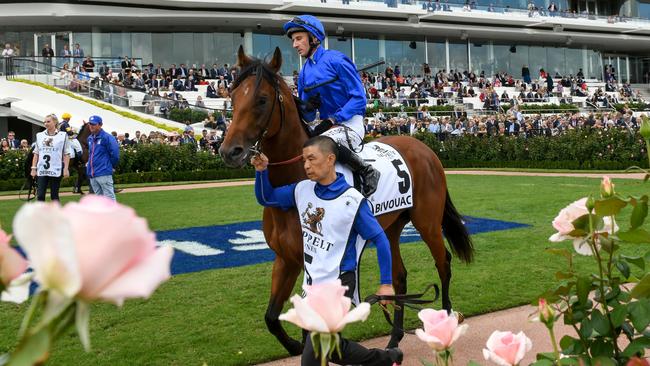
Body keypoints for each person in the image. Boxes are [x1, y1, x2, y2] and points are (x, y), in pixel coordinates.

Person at [251, 136, 401, 366]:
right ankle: (387, 359)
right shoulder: (302, 190)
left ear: (330, 159)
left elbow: (380, 239)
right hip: (312, 285)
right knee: (333, 349)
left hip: (339, 284)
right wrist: (261, 171)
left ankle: (386, 359)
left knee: (312, 358)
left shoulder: (352, 201)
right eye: (304, 160)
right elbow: (267, 197)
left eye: (312, 159)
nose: (307, 165)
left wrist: (386, 283)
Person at [283, 15, 380, 197]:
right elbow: (310, 117)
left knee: (324, 144)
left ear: (313, 38)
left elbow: (359, 98)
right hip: (327, 127)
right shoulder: (304, 73)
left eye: (299, 39)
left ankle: (367, 171)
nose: (295, 45)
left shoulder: (337, 60)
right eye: (293, 40)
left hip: (350, 122)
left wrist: (333, 119)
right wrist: (307, 106)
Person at [31, 114, 71, 201]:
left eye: (48, 121)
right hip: (42, 169)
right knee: (40, 196)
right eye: (44, 122)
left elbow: (66, 153)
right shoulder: (39, 135)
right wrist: (33, 168)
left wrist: (66, 169)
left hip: (56, 169)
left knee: (54, 196)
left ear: (55, 122)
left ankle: (56, 214)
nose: (46, 123)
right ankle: (40, 214)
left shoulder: (63, 135)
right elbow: (36, 153)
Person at [86, 115, 120, 200]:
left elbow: (115, 154)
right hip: (93, 173)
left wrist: (110, 166)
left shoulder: (107, 137)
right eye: (90, 124)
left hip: (104, 172)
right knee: (99, 199)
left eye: (93, 124)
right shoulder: (90, 138)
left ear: (100, 125)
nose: (91, 126)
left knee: (109, 197)